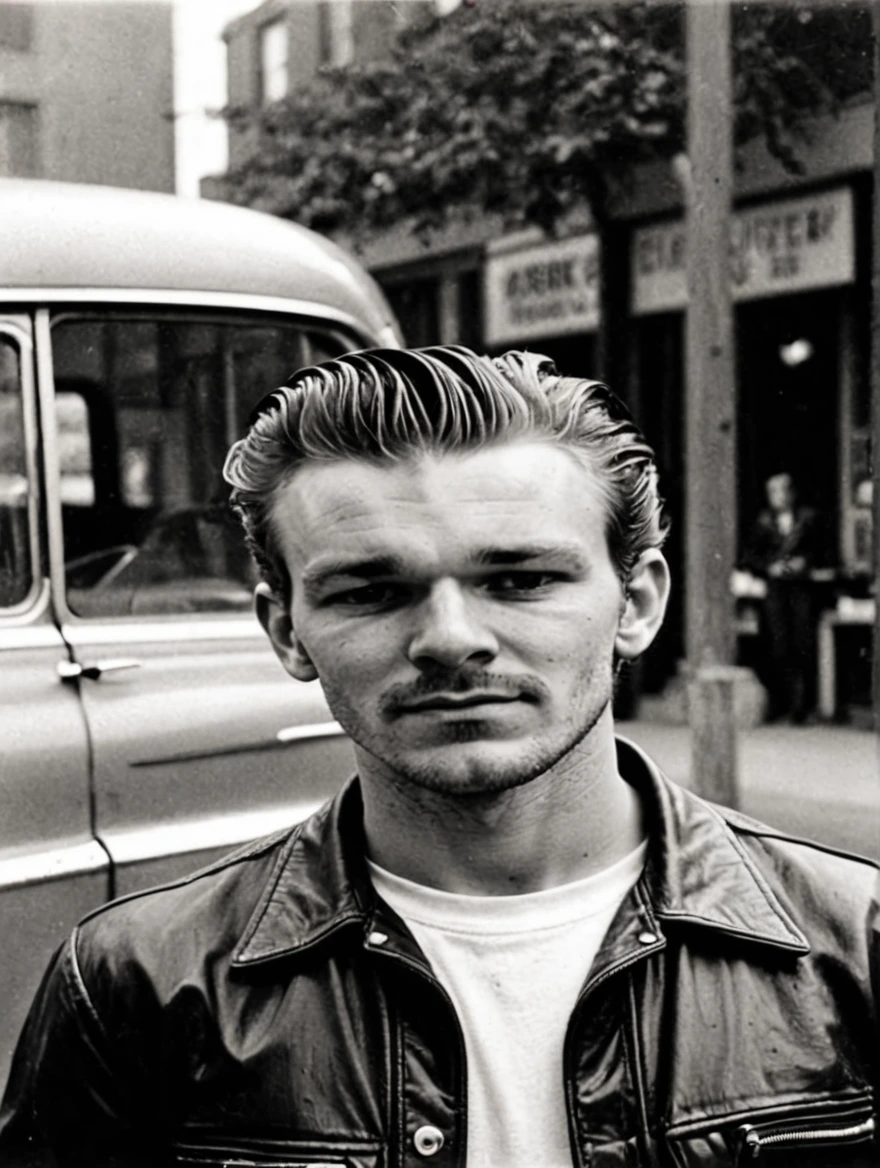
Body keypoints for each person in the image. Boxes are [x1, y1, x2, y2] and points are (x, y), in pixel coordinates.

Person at [1, 347, 877, 1168]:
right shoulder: (139, 986)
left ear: (637, 604)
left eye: (522, 580)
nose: (452, 640)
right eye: (372, 591)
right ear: (285, 631)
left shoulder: (856, 948)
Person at [742, 472, 826, 722]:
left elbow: (822, 551)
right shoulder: (763, 522)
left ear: (791, 493)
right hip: (776, 590)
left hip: (801, 588)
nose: (776, 497)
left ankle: (804, 706)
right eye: (772, 492)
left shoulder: (808, 519)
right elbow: (751, 557)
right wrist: (770, 567)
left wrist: (804, 563)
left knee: (804, 643)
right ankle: (782, 703)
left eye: (780, 491)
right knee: (778, 645)